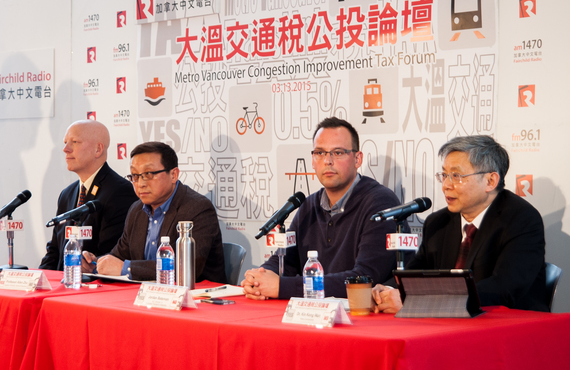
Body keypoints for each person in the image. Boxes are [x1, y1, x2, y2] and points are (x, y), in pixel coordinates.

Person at [373, 135, 548, 313]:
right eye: (444, 175)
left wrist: (417, 302)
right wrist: (386, 290)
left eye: (456, 176)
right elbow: (415, 272)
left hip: (507, 326)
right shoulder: (438, 223)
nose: (446, 185)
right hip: (448, 325)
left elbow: (502, 289)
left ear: (490, 181)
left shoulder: (521, 220)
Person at [241, 117, 404, 300]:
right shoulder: (309, 206)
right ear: (312, 160)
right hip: (312, 316)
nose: (328, 161)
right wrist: (259, 281)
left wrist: (282, 287)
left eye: (338, 152)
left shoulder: (380, 203)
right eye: (320, 153)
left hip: (361, 318)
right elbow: (286, 261)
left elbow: (364, 278)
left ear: (357, 159)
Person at [82, 141, 226, 283]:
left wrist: (127, 268)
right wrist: (96, 264)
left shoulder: (197, 208)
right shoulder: (136, 210)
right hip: (146, 297)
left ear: (174, 175)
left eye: (149, 174)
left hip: (196, 299)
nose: (141, 183)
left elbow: (188, 268)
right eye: (135, 176)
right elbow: (119, 256)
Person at [39, 120, 138, 271]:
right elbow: (54, 251)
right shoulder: (67, 194)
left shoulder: (120, 192)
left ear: (98, 149)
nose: (65, 149)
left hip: (93, 287)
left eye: (75, 142)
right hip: (62, 286)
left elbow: (111, 255)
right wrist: (39, 280)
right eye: (65, 142)